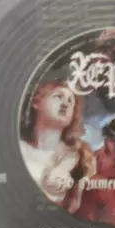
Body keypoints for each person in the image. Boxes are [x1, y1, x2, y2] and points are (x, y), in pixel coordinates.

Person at [19, 80, 95, 214]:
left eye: (70, 101)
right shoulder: (19, 147)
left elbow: (76, 205)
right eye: (58, 96)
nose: (65, 104)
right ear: (36, 102)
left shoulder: (79, 158)